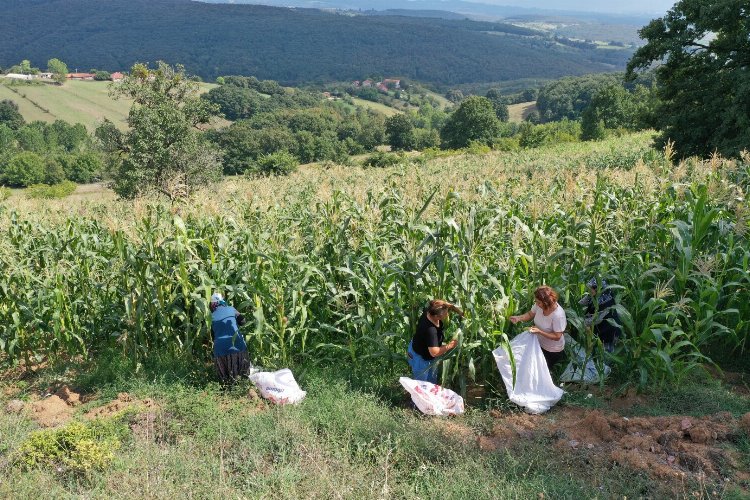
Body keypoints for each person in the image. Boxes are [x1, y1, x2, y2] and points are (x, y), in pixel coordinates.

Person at [510, 286, 566, 370]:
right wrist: (519, 318)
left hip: (552, 350)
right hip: (538, 343)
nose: (536, 304)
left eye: (538, 302)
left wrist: (540, 332)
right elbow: (530, 314)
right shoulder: (539, 305)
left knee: (541, 370)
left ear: (546, 302)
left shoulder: (558, 315)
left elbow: (557, 336)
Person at [407, 299, 464, 384]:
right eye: (445, 314)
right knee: (421, 386)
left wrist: (459, 312)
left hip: (427, 353)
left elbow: (443, 304)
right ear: (437, 316)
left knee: (432, 383)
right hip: (420, 358)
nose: (447, 314)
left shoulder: (430, 309)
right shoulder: (430, 330)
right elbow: (434, 352)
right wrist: (450, 345)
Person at [210, 292, 251, 384]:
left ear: (212, 304)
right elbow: (243, 322)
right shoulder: (231, 309)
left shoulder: (210, 316)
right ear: (222, 301)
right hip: (237, 345)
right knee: (242, 376)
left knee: (226, 382)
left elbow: (214, 335)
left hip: (220, 349)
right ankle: (242, 382)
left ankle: (226, 384)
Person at [579, 277, 621, 353]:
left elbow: (596, 319)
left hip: (609, 328)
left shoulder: (607, 302)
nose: (588, 290)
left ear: (597, 289)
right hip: (600, 327)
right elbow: (581, 303)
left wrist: (579, 322)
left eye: (590, 289)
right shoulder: (593, 295)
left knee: (605, 351)